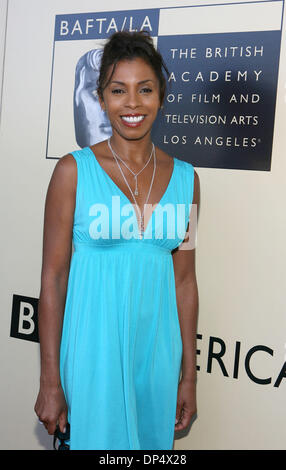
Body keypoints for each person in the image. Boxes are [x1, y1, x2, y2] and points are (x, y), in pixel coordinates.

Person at [34, 30, 200, 450]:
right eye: (118, 90)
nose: (132, 103)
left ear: (161, 96)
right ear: (102, 98)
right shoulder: (73, 172)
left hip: (156, 361)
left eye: (145, 89)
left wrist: (189, 376)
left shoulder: (188, 180)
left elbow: (184, 283)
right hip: (92, 357)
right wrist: (50, 380)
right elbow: (53, 280)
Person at [73, 49, 112, 148]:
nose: (107, 106)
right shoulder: (70, 163)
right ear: (77, 96)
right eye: (96, 92)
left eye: (116, 92)